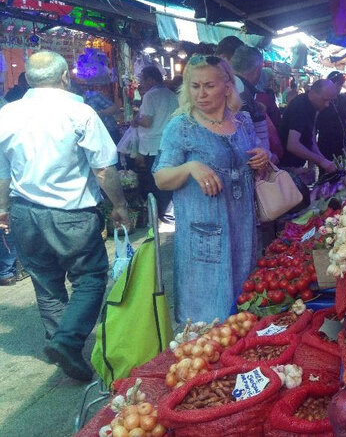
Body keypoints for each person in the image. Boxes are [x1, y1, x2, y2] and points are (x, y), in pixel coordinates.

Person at [0, 51, 131, 381]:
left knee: (46, 285)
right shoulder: (80, 112)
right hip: (71, 214)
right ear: (64, 78)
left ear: (28, 80)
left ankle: (61, 345)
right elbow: (103, 169)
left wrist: (2, 209)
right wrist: (119, 205)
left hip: (24, 214)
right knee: (89, 278)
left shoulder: (7, 114)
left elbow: (2, 173)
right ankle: (67, 342)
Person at [152, 55, 270, 324]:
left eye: (209, 86)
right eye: (195, 86)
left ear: (227, 87)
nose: (201, 94)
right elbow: (161, 178)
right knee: (207, 317)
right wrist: (190, 167)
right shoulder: (181, 126)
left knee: (243, 309)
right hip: (203, 235)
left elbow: (257, 162)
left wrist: (263, 157)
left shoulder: (243, 122)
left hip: (242, 229)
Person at [134, 66, 178, 219]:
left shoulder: (149, 96)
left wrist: (135, 120)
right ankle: (168, 212)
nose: (141, 84)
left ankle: (159, 213)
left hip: (152, 146)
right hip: (170, 143)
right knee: (169, 178)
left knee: (155, 180)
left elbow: (146, 121)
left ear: (151, 79)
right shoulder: (172, 95)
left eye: (142, 80)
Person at [278, 80, 339, 183]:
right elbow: (292, 144)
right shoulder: (300, 107)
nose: (327, 105)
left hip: (297, 165)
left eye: (330, 101)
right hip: (286, 166)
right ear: (313, 93)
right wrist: (320, 161)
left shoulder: (313, 106)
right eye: (325, 100)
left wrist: (323, 160)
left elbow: (311, 137)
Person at [316, 72, 346, 163]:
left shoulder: (342, 99)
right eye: (337, 84)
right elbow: (313, 127)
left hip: (342, 142)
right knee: (328, 172)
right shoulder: (321, 101)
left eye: (340, 84)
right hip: (326, 143)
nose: (338, 87)